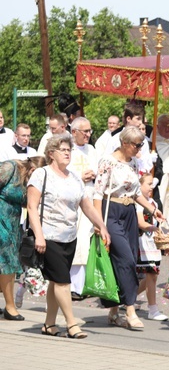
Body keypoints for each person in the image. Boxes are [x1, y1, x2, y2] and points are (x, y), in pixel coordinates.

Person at [28, 134, 110, 339]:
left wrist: (101, 225)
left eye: (69, 150)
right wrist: (38, 235)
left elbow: (87, 205)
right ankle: (71, 323)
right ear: (51, 154)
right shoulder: (41, 174)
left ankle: (49, 324)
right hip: (49, 235)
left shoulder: (74, 177)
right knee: (64, 281)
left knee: (56, 281)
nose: (67, 153)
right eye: (62, 150)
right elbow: (31, 207)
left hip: (69, 236)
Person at [94, 126, 164, 331]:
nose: (139, 149)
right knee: (125, 258)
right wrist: (99, 224)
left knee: (129, 259)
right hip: (111, 210)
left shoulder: (133, 162)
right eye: (136, 145)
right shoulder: (108, 161)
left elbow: (135, 193)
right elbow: (98, 194)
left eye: (141, 144)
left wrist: (152, 208)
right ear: (124, 143)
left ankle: (114, 311)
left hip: (129, 213)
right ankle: (130, 310)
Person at [0, 156, 46, 320]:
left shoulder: (31, 183)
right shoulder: (10, 168)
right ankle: (10, 307)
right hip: (1, 222)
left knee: (8, 263)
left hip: (12, 224)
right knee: (6, 262)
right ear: (32, 169)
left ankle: (8, 305)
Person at [67, 117, 99, 299]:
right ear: (74, 132)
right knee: (76, 242)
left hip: (89, 197)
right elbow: (62, 173)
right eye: (84, 131)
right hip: (73, 202)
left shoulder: (91, 150)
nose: (88, 135)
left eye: (89, 131)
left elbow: (97, 169)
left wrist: (94, 174)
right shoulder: (67, 149)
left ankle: (82, 285)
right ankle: (72, 285)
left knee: (86, 242)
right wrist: (80, 176)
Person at [135, 173, 169, 321]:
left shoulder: (153, 203)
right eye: (148, 184)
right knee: (150, 275)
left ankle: (129, 297)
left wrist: (164, 239)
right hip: (141, 242)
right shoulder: (137, 203)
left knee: (153, 275)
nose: (151, 187)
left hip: (152, 244)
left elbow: (158, 224)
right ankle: (152, 309)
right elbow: (140, 223)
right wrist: (155, 229)